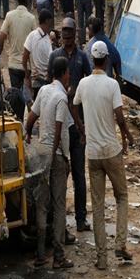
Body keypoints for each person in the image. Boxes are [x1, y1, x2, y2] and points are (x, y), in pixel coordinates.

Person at [73, 41, 133, 270]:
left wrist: (81, 128)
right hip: (111, 150)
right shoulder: (112, 85)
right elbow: (119, 115)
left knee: (97, 206)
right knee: (122, 197)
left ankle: (101, 258)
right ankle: (120, 243)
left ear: (92, 60)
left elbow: (74, 103)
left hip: (93, 154)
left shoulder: (83, 84)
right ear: (106, 60)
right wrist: (127, 137)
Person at [24, 55, 74, 269]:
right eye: (68, 73)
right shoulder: (62, 98)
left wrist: (27, 133)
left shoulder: (43, 91)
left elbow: (32, 116)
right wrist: (59, 157)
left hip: (40, 152)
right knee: (59, 204)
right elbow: (59, 129)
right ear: (63, 74)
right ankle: (59, 257)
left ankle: (41, 254)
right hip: (56, 154)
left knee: (42, 203)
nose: (69, 76)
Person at [48, 18, 91, 232]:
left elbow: (90, 85)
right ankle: (61, 223)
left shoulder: (83, 57)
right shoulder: (55, 56)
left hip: (78, 124)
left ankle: (81, 219)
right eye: (63, 32)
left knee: (79, 175)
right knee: (61, 176)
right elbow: (50, 86)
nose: (66, 36)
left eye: (69, 32)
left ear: (75, 33)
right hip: (61, 123)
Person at [0, 0, 37, 91]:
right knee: (27, 97)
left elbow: (2, 36)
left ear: (17, 0)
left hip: (13, 64)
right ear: (28, 1)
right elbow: (36, 40)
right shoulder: (32, 18)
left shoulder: (9, 16)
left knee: (16, 96)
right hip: (27, 67)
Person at [23, 8, 54, 98]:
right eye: (50, 22)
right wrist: (27, 75)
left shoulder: (47, 37)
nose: (51, 25)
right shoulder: (33, 35)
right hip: (37, 80)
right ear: (47, 21)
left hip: (47, 80)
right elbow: (25, 57)